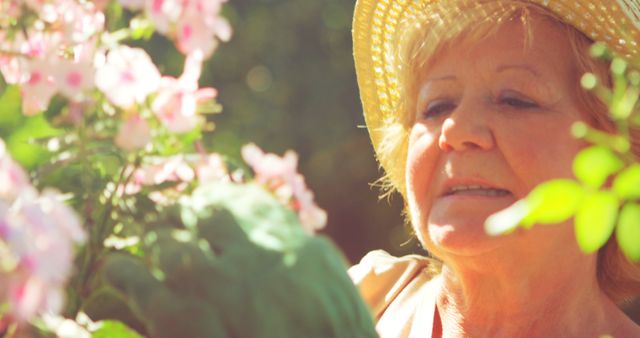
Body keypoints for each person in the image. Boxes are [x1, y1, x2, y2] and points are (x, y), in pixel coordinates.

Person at [350, 0, 640, 337]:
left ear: (617, 157)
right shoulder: (361, 301)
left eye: (514, 100)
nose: (456, 131)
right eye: (436, 106)